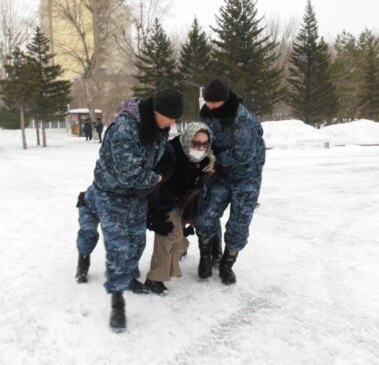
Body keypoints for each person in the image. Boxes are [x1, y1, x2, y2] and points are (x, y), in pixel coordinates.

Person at [74, 88, 183, 332]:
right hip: (111, 195)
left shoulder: (158, 128)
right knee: (118, 248)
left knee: (136, 242)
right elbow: (129, 174)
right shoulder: (125, 129)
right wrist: (157, 179)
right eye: (170, 117)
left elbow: (154, 158)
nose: (173, 123)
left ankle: (129, 276)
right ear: (156, 111)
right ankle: (117, 304)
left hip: (135, 196)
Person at [196, 78, 265, 285]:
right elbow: (203, 140)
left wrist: (214, 159)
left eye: (214, 102)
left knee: (239, 224)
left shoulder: (242, 118)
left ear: (224, 100)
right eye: (207, 102)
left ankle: (227, 264)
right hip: (221, 175)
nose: (210, 106)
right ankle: (206, 257)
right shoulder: (207, 114)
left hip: (247, 177)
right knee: (206, 216)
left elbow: (243, 154)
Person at [144, 123, 216, 295]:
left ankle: (180, 248)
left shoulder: (205, 159)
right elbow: (154, 185)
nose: (200, 148)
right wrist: (155, 213)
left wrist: (205, 178)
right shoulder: (170, 153)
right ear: (187, 139)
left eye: (204, 144)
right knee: (170, 232)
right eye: (195, 143)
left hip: (183, 203)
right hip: (161, 201)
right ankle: (154, 279)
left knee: (178, 234)